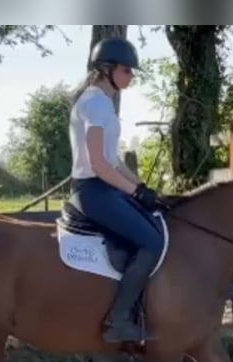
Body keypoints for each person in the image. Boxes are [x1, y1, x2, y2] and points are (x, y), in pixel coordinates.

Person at [68, 37, 163, 344]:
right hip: (93, 191)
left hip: (103, 187)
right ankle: (118, 321)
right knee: (151, 241)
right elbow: (98, 165)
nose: (131, 76)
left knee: (151, 223)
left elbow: (114, 160)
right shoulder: (95, 103)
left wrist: (142, 188)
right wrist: (134, 194)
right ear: (106, 69)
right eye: (126, 70)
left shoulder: (104, 103)